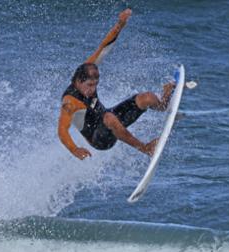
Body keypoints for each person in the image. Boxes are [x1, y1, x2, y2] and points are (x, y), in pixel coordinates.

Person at [58, 8, 175, 160]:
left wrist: (120, 24)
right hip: (99, 139)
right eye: (89, 86)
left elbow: (104, 47)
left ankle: (163, 103)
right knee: (109, 118)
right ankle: (145, 148)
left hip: (110, 118)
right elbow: (62, 130)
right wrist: (74, 149)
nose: (93, 90)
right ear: (79, 81)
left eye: (96, 85)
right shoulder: (70, 101)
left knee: (147, 98)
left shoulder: (87, 69)